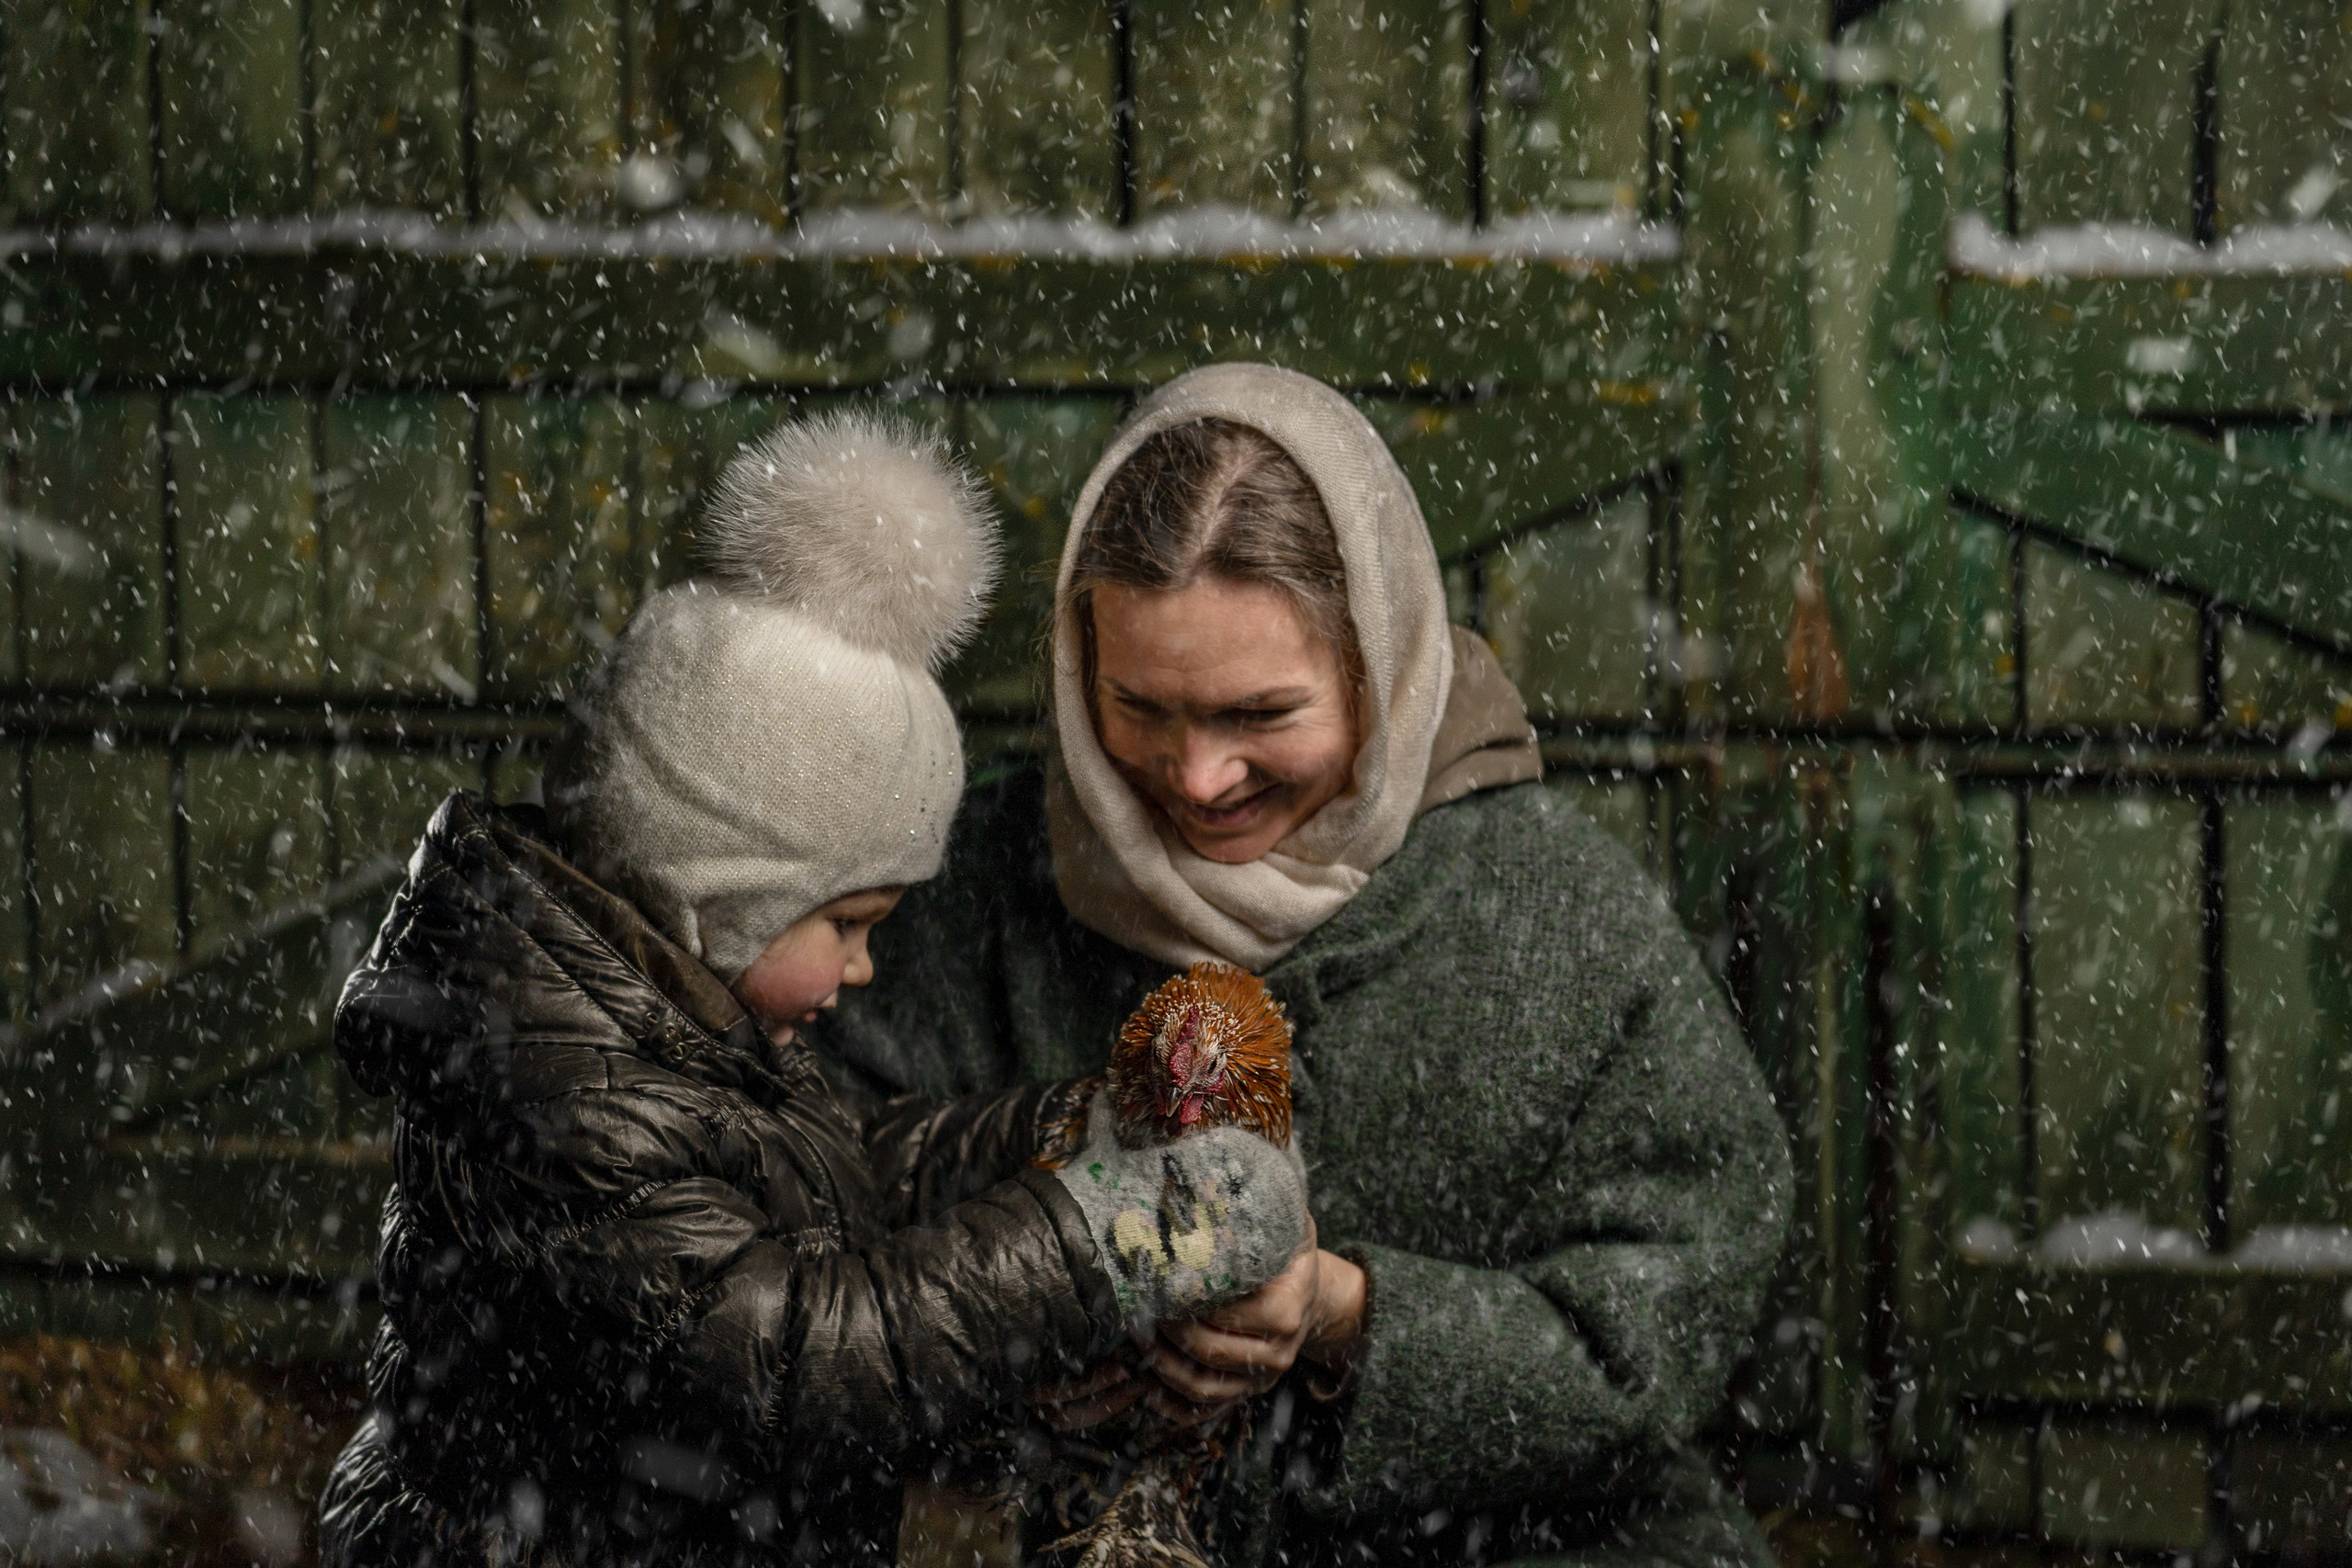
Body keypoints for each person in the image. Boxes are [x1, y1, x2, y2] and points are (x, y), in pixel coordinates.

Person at [812, 365, 1796, 1566]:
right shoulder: (963, 896)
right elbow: (810, 1219)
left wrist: (1346, 1313)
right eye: (1142, 706)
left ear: (1379, 667)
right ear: (1078, 670)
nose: (1197, 773)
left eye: (1261, 713)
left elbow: (1669, 1317)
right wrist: (1055, 1312)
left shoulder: (1554, 907)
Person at [314, 411, 1310, 1568]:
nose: (862, 966)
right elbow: (805, 1357)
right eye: (845, 923)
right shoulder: (567, 1106)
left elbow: (833, 1186)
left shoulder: (660, 1035)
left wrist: (1051, 1137)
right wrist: (1107, 1236)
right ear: (722, 893)